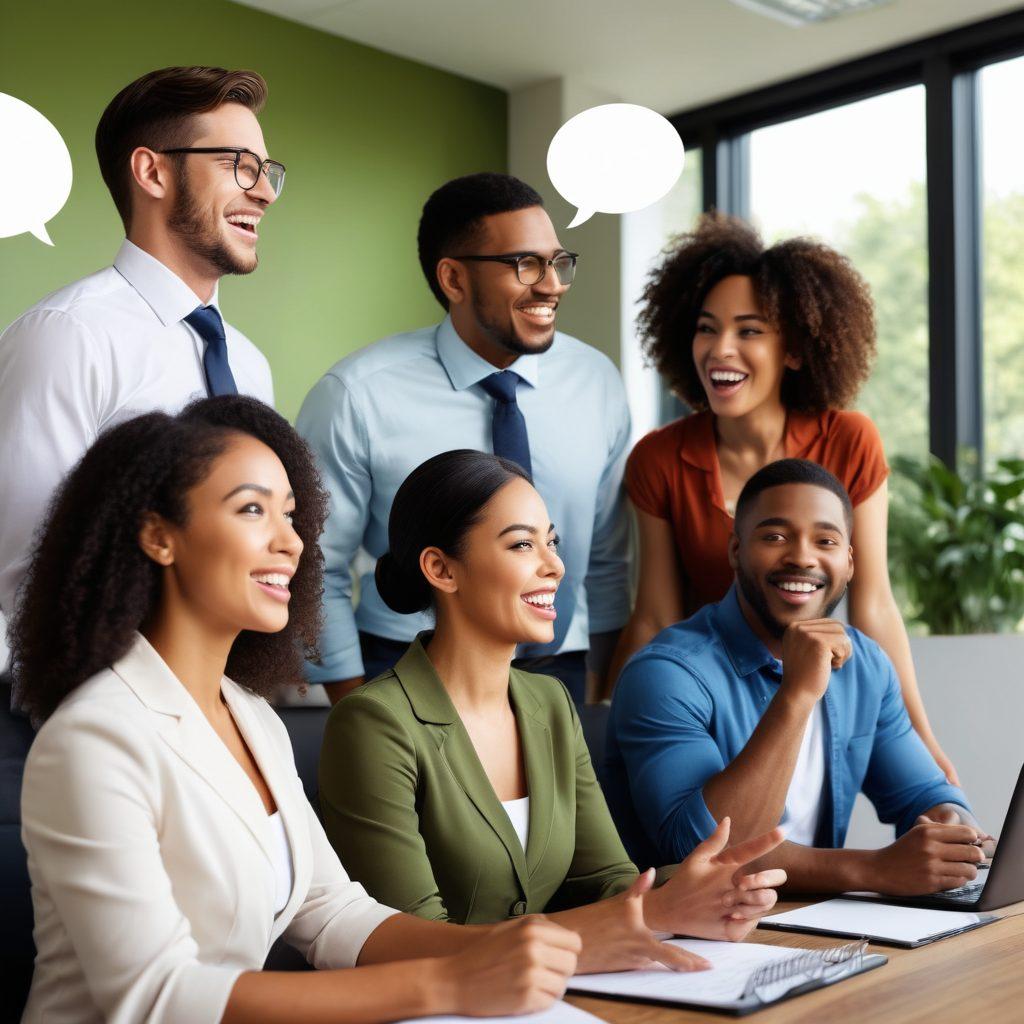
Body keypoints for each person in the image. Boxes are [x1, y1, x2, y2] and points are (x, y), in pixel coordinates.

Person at [13, 397, 583, 1024]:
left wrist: (501, 948)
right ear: (159, 536)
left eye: (289, 514)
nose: (291, 541)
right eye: (253, 510)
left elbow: (333, 914)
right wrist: (448, 984)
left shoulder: (252, 717)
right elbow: (159, 995)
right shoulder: (94, 738)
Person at [319, 449, 786, 972]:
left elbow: (604, 881)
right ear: (440, 569)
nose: (555, 566)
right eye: (522, 544)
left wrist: (708, 887)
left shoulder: (550, 703)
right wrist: (653, 912)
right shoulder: (373, 723)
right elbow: (413, 941)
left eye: (552, 542)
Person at [606, 212, 958, 785]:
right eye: (705, 327)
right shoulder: (658, 458)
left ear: (793, 350)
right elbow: (654, 615)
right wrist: (610, 732)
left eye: (749, 331)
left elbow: (873, 606)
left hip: (815, 678)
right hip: (701, 696)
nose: (721, 350)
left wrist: (922, 739)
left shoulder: (849, 439)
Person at [296, 173, 631, 705]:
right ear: (453, 279)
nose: (552, 285)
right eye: (525, 265)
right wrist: (352, 705)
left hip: (560, 670)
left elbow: (609, 556)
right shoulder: (356, 395)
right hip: (407, 670)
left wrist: (598, 691)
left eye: (557, 262)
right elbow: (316, 564)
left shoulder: (598, 383)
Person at [604, 459, 994, 896]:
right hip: (680, 938)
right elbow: (701, 853)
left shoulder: (866, 665)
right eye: (774, 536)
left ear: (848, 562)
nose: (802, 557)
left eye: (825, 540)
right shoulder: (666, 673)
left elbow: (922, 792)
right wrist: (798, 692)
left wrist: (954, 833)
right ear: (736, 551)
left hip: (812, 927)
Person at [0, 66, 283, 633]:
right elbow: (29, 574)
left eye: (268, 171)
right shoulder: (67, 335)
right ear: (152, 172)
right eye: (239, 166)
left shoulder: (249, 365)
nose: (265, 192)